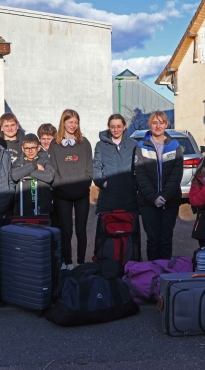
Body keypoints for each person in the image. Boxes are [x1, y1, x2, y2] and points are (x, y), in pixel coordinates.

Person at [134, 111, 183, 260]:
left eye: (161, 122)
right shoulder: (141, 146)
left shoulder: (175, 145)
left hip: (170, 201)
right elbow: (140, 175)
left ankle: (165, 274)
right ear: (150, 125)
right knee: (153, 240)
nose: (158, 126)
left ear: (166, 124)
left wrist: (165, 196)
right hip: (148, 201)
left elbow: (176, 175)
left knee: (166, 239)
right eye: (154, 122)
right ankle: (153, 272)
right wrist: (154, 197)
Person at [48, 109, 93, 270]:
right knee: (66, 230)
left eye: (76, 122)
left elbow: (89, 171)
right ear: (63, 122)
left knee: (81, 230)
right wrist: (63, 189)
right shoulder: (54, 144)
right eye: (70, 122)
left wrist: (81, 188)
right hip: (62, 195)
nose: (73, 125)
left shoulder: (84, 143)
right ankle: (67, 263)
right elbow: (53, 170)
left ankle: (80, 262)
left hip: (81, 194)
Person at [93, 114, 139, 214]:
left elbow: (139, 168)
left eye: (119, 126)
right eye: (112, 127)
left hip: (129, 195)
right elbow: (96, 167)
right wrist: (103, 183)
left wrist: (135, 184)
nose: (116, 129)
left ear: (124, 127)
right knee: (108, 226)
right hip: (108, 195)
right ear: (109, 128)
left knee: (129, 227)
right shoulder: (101, 145)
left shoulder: (133, 144)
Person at [11, 133, 55, 216]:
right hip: (23, 207)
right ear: (23, 149)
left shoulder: (44, 160)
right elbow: (14, 175)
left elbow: (49, 176)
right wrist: (34, 166)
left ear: (38, 147)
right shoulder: (19, 162)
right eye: (27, 148)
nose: (30, 151)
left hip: (42, 206)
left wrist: (24, 172)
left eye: (33, 148)